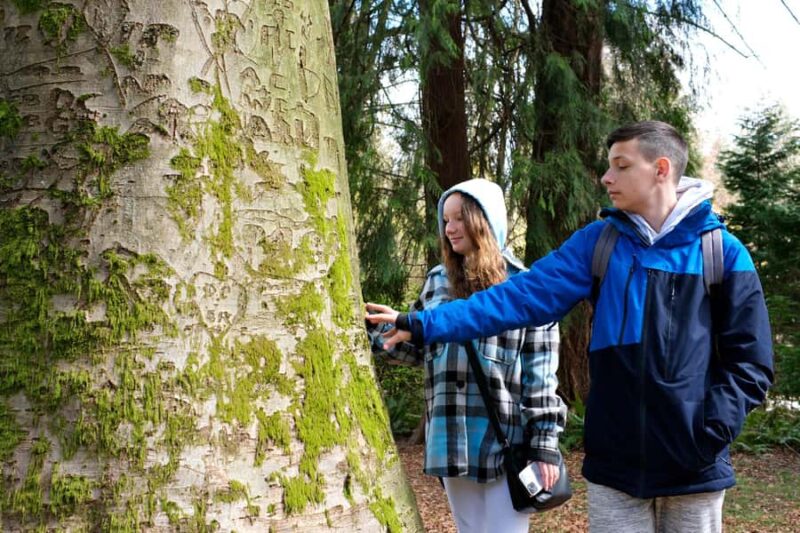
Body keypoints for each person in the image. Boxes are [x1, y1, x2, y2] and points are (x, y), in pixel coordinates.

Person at [367, 122, 774, 533]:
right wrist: (420, 323)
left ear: (661, 169)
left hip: (696, 469)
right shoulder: (599, 244)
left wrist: (708, 434)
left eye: (620, 165)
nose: (606, 177)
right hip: (615, 465)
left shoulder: (721, 251)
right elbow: (514, 298)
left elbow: (751, 362)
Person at [365, 178, 566, 533]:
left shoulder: (526, 286)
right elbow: (418, 350)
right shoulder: (437, 282)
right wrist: (375, 327)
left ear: (485, 220)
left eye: (460, 217)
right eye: (445, 220)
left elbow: (540, 377)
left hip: (505, 445)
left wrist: (545, 446)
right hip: (451, 441)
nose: (450, 228)